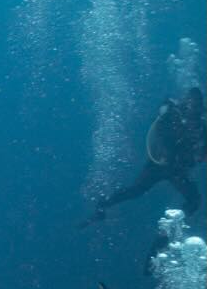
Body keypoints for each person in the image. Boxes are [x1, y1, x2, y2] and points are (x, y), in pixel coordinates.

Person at [86, 87, 206, 226]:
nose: (193, 109)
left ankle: (171, 228)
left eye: (197, 105)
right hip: (161, 165)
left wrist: (197, 154)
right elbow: (160, 133)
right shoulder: (172, 115)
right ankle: (102, 206)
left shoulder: (200, 124)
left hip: (175, 168)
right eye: (192, 104)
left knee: (193, 200)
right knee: (136, 190)